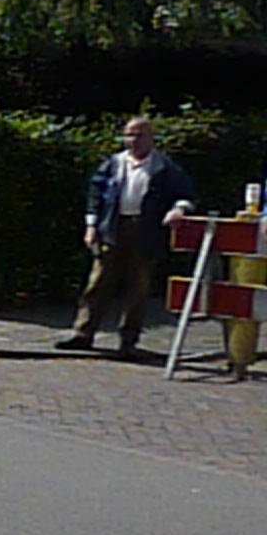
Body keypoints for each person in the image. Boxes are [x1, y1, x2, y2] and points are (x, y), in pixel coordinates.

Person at [57, 116, 196, 357]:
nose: (134, 140)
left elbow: (185, 195)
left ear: (151, 138)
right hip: (112, 227)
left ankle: (128, 341)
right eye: (129, 135)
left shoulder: (164, 168)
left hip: (145, 230)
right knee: (98, 282)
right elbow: (95, 195)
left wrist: (178, 210)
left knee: (138, 288)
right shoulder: (113, 164)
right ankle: (83, 333)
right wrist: (91, 226)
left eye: (139, 135)